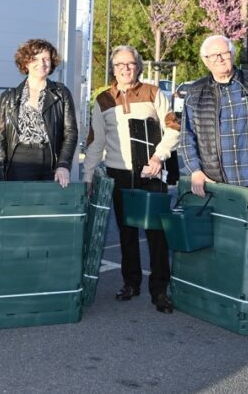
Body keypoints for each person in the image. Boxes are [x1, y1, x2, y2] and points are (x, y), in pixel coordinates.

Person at [178, 34, 248, 328]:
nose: (219, 60)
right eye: (213, 56)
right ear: (205, 61)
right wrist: (194, 170)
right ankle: (226, 299)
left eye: (224, 53)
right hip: (214, 181)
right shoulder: (196, 91)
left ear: (233, 53)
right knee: (221, 245)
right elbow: (186, 136)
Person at [83, 45, 179, 313]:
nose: (125, 69)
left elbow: (173, 127)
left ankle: (159, 290)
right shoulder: (103, 100)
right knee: (126, 232)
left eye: (130, 64)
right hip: (119, 174)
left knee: (156, 234)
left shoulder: (153, 93)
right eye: (119, 65)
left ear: (138, 66)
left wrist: (159, 156)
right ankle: (131, 282)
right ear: (113, 69)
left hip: (151, 171)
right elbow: (96, 142)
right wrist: (88, 176)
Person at [0, 38, 78, 187]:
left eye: (46, 59)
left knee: (49, 202)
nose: (42, 63)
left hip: (51, 163)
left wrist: (63, 164)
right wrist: (0, 175)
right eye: (35, 59)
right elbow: (1, 139)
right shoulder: (8, 98)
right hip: (19, 163)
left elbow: (70, 133)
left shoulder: (61, 93)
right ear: (26, 63)